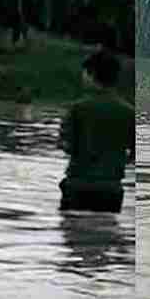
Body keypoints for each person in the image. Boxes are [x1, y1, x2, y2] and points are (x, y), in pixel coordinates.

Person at [59, 49, 134, 213]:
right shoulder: (129, 112)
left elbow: (67, 146)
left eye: (85, 73)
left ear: (91, 74)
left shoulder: (77, 109)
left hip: (78, 185)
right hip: (111, 189)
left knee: (74, 233)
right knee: (105, 233)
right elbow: (134, 154)